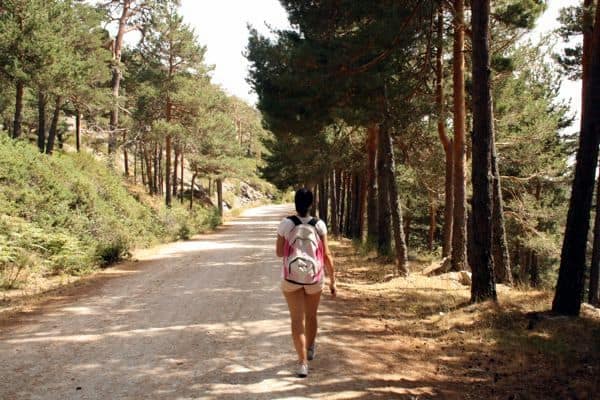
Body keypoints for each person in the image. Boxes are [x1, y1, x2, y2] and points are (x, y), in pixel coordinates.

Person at [276, 188, 336, 378]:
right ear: (312, 203)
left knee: (296, 319)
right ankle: (310, 348)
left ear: (295, 202)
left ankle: (302, 364)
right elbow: (326, 254)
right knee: (311, 315)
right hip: (314, 278)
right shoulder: (319, 225)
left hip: (291, 278)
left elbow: (279, 252)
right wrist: (333, 280)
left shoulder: (286, 224)